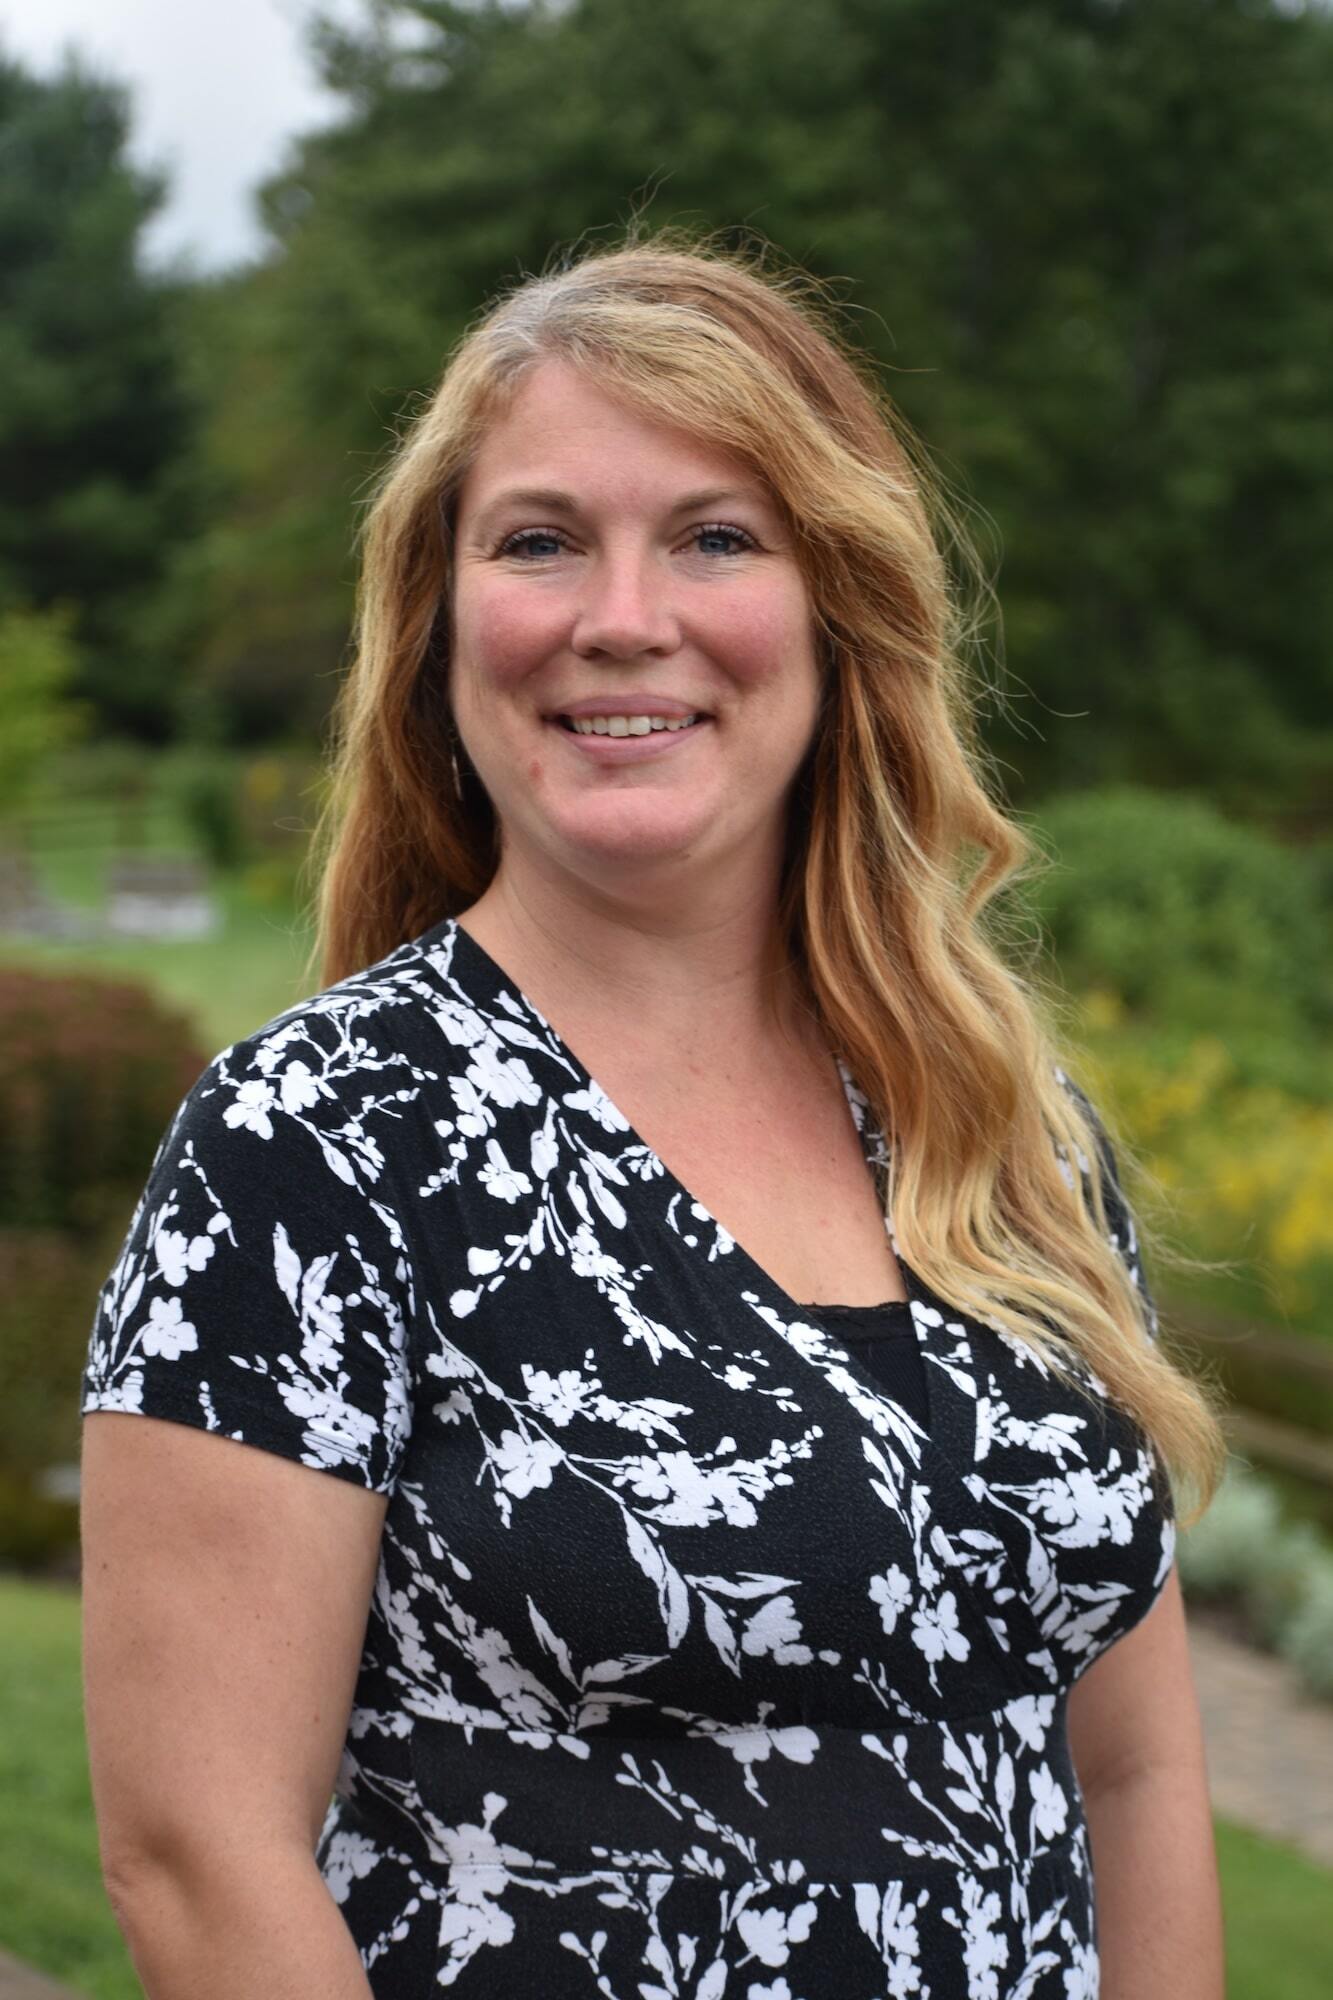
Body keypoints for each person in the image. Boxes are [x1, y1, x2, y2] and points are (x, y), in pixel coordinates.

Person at [80, 232, 1227, 1999]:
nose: (625, 615)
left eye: (713, 537)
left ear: (834, 616)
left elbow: (1134, 1774)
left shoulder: (999, 1133)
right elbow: (197, 1854)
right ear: (441, 627)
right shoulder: (313, 1147)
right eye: (540, 542)